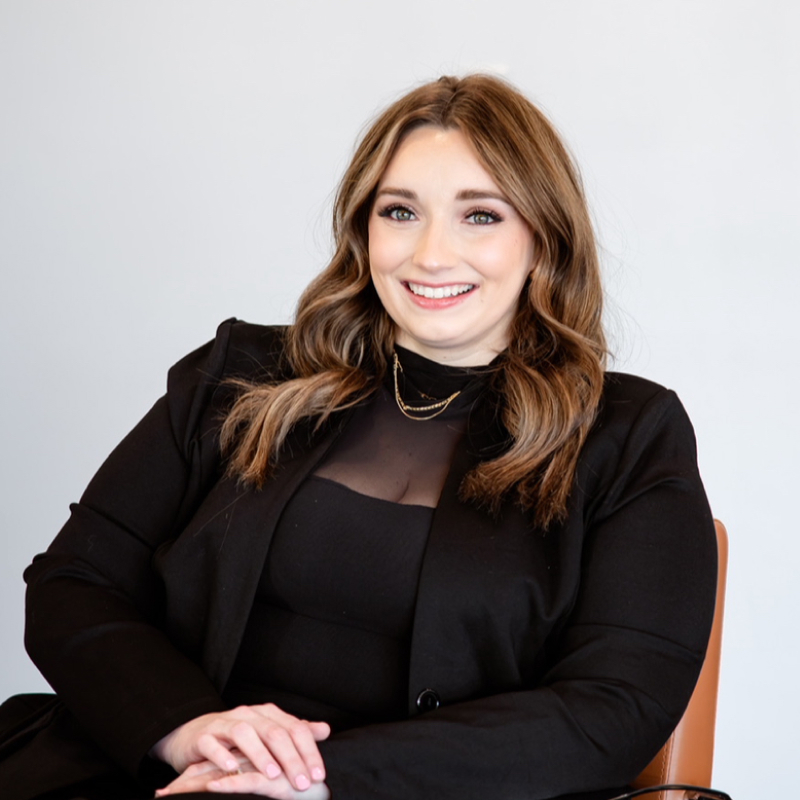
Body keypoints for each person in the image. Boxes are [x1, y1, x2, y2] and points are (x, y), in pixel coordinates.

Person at [0, 74, 717, 800]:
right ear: (363, 229)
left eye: (481, 216)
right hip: (160, 772)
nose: (430, 255)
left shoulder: (630, 435)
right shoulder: (237, 375)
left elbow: (614, 709)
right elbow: (73, 585)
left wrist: (310, 783)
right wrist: (190, 730)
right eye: (400, 211)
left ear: (543, 238)